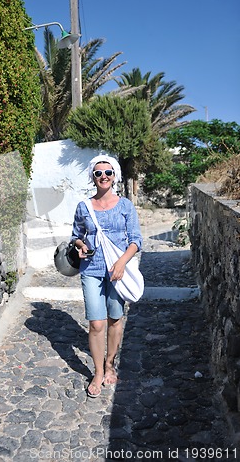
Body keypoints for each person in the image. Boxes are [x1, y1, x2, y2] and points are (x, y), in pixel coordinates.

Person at [71, 155, 143, 398]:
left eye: (108, 173)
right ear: (93, 176)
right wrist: (81, 246)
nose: (103, 177)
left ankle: (110, 363)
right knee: (96, 322)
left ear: (115, 176)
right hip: (90, 269)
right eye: (99, 173)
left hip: (116, 272)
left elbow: (136, 240)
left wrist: (122, 262)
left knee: (115, 319)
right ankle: (98, 371)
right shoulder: (84, 206)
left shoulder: (125, 206)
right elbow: (76, 235)